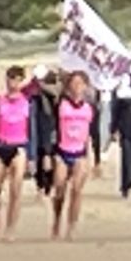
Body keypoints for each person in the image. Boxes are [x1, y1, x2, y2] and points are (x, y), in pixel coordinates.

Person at [0, 66, 35, 243]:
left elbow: (32, 131)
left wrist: (32, 157)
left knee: (15, 191)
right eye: (10, 79)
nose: (13, 83)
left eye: (17, 80)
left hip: (19, 147)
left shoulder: (27, 103)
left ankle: (11, 228)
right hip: (0, 147)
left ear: (21, 81)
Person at [48, 71, 99, 240]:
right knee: (60, 190)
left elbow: (95, 133)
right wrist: (49, 153)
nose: (77, 87)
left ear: (86, 86)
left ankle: (72, 227)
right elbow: (52, 128)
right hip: (62, 151)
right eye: (74, 83)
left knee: (77, 190)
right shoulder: (60, 104)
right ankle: (57, 220)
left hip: (80, 153)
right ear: (69, 85)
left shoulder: (90, 107)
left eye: (81, 84)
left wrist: (96, 158)